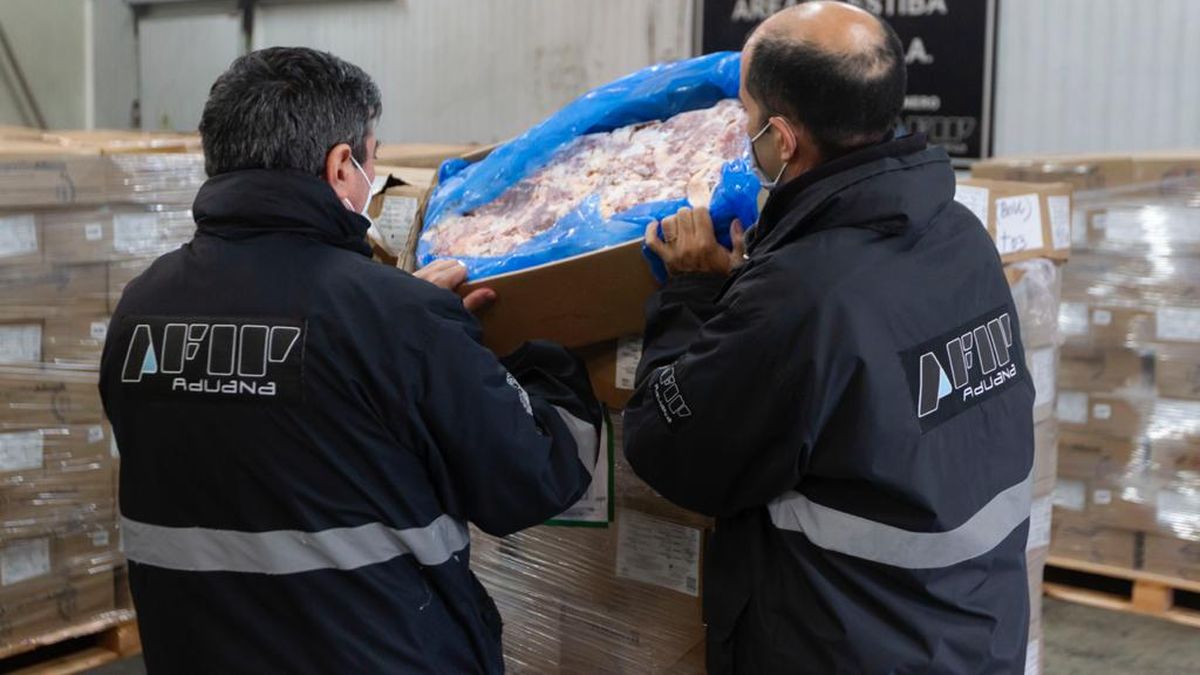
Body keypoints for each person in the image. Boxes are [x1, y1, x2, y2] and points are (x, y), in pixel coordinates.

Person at [99, 47, 601, 673]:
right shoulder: (397, 320)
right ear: (342, 167)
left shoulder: (141, 309)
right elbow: (535, 480)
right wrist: (547, 342)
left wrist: (415, 331)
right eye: (372, 157)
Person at [624, 3, 1034, 673]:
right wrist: (754, 293)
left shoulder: (802, 294)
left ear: (781, 140)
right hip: (970, 634)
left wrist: (694, 296)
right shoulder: (960, 237)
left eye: (747, 118)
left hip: (845, 646)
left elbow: (670, 449)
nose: (744, 136)